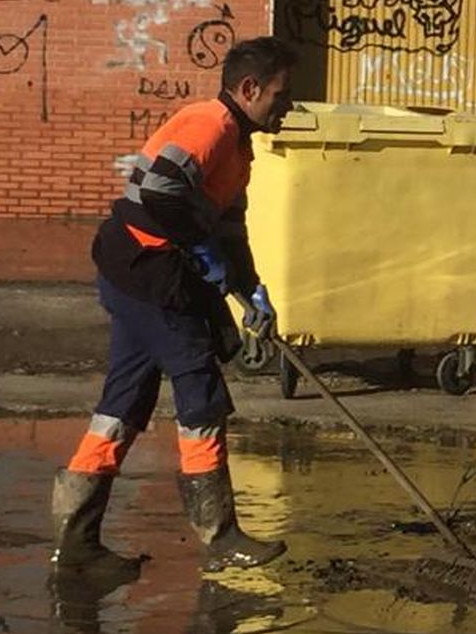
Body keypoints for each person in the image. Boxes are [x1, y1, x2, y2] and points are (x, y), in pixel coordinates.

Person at [50, 36, 298, 584]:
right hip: (145, 268)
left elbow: (230, 229)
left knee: (124, 402)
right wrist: (200, 249)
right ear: (249, 89)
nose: (287, 106)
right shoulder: (208, 126)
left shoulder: (239, 146)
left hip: (154, 270)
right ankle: (221, 535)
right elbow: (157, 195)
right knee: (199, 388)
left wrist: (251, 288)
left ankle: (77, 541)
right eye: (281, 95)